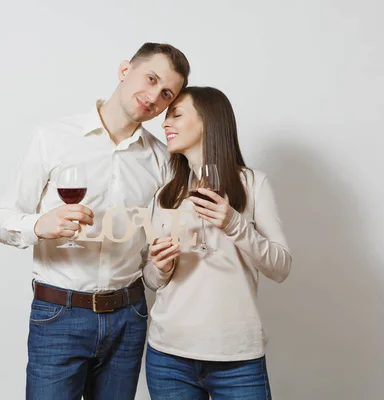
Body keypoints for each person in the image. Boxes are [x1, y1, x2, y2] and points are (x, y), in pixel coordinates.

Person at [0, 43, 190, 400]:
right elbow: (1, 219)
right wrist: (39, 226)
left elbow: (152, 257)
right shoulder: (52, 137)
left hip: (129, 316)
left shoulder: (162, 160)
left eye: (166, 94)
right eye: (150, 79)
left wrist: (163, 266)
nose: (153, 97)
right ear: (124, 70)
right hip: (58, 315)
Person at [142, 86, 292, 400]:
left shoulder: (252, 184)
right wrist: (160, 266)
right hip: (168, 357)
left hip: (236, 358)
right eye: (166, 117)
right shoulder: (164, 195)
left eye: (177, 115)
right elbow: (153, 281)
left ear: (209, 121)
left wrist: (233, 224)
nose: (165, 123)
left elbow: (281, 267)